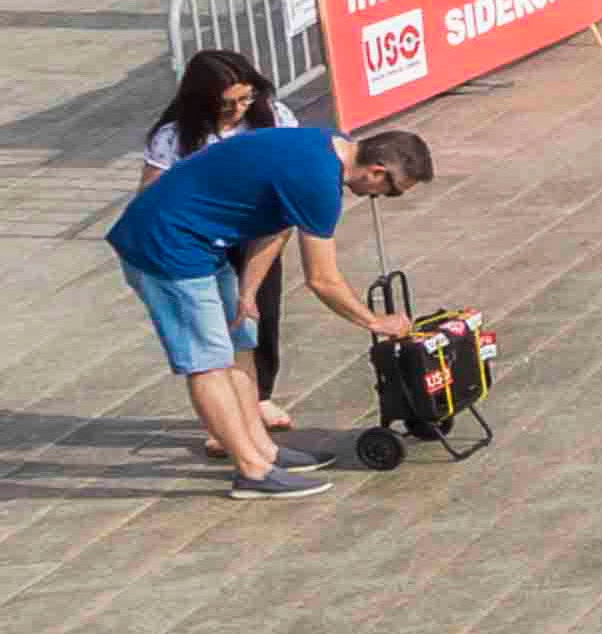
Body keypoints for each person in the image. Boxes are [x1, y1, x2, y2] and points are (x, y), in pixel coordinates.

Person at [104, 101, 428, 495]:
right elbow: (323, 280)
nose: (382, 198)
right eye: (390, 191)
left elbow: (277, 226)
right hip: (164, 245)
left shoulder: (330, 144)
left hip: (203, 242)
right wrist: (376, 322)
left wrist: (248, 291)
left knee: (242, 341)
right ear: (377, 172)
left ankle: (264, 449)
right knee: (207, 361)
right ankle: (252, 472)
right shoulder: (320, 181)